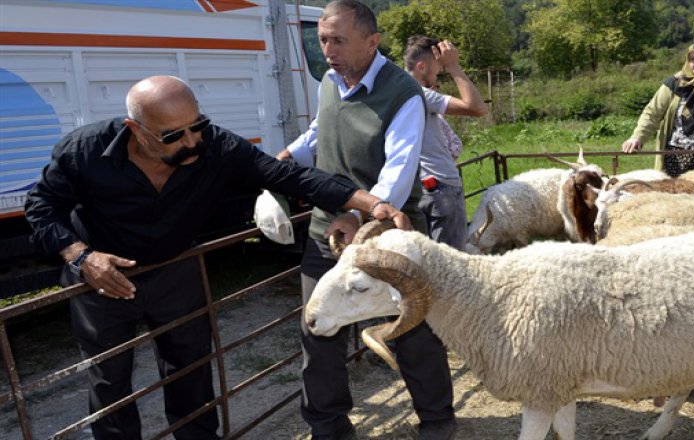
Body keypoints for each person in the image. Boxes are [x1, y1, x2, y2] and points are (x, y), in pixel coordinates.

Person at [24, 75, 410, 440]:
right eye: (173, 135)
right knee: (109, 381)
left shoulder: (216, 145)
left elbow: (289, 177)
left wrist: (372, 204)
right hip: (102, 277)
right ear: (135, 129)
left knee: (190, 369)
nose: (192, 141)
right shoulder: (84, 150)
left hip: (176, 268)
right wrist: (80, 256)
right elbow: (40, 206)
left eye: (198, 125)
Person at [274, 2, 457, 439]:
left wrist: (360, 214)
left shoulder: (402, 93)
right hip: (327, 229)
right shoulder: (330, 84)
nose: (327, 51)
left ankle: (436, 420)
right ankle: (329, 427)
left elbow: (398, 169)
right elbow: (321, 131)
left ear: (372, 42)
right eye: (322, 40)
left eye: (338, 41)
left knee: (413, 328)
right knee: (317, 328)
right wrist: (284, 159)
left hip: (389, 234)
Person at [403, 35, 488, 250]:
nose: (439, 73)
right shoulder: (419, 94)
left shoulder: (395, 91)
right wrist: (453, 65)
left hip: (416, 188)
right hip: (440, 186)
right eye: (437, 68)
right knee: (451, 261)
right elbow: (477, 107)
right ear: (421, 66)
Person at [621, 42, 694, 177]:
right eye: (693, 59)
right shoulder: (675, 83)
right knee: (679, 196)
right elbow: (652, 113)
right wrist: (637, 137)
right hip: (680, 156)